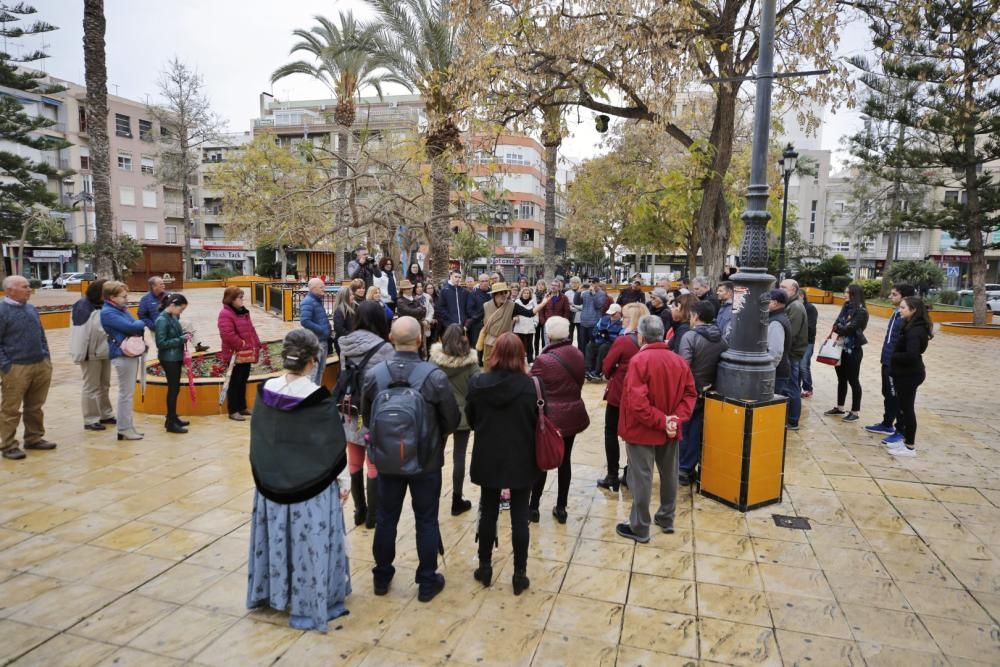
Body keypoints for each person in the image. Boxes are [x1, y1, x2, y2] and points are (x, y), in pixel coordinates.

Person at [246, 328, 351, 632]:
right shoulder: (318, 398)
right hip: (311, 489)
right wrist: (343, 483)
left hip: (270, 485)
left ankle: (272, 593)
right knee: (309, 545)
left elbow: (260, 436)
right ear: (313, 361)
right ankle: (310, 603)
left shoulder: (266, 389)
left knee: (278, 541)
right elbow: (332, 445)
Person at [361, 317, 460, 603]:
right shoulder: (434, 376)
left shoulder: (375, 374)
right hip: (426, 460)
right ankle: (427, 582)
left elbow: (368, 419)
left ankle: (381, 577)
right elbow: (451, 419)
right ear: (420, 340)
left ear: (391, 338)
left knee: (385, 518)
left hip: (388, 460)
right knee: (426, 520)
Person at [466, 332, 540, 595]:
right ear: (521, 355)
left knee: (489, 511)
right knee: (520, 517)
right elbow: (539, 420)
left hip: (489, 455)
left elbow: (472, 418)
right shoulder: (532, 386)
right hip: (522, 455)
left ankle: (485, 567)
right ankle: (520, 574)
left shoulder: (478, 384)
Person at [615, 315, 697, 543]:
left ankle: (640, 526)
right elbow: (691, 394)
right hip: (670, 428)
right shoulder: (679, 360)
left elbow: (637, 403)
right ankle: (666, 517)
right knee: (669, 473)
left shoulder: (639, 361)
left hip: (643, 429)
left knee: (642, 477)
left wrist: (662, 420)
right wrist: (674, 419)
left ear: (641, 336)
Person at [338, 301, 394, 528]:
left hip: (349, 407)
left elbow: (345, 375)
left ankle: (359, 511)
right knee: (373, 464)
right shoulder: (385, 348)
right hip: (374, 410)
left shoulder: (345, 344)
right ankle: (373, 517)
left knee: (354, 460)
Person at [528, 316, 589, 524]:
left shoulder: (544, 360)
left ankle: (533, 507)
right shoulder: (578, 354)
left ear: (549, 335)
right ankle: (561, 507)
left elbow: (531, 387)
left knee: (543, 460)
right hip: (572, 413)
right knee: (565, 461)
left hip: (551, 417)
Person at [0, 275, 56, 460]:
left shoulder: (31, 308)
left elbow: (41, 335)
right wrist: (6, 365)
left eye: (28, 286)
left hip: (40, 364)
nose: (29, 289)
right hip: (16, 368)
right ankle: (8, 445)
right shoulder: (2, 310)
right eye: (24, 287)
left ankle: (34, 438)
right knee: (11, 409)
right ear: (10, 290)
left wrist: (46, 356)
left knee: (35, 406)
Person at [429, 324, 480, 515]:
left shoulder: (433, 361)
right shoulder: (471, 362)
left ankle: (432, 497)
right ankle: (456, 500)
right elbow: (477, 387)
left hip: (439, 414)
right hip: (462, 415)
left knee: (436, 457)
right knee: (459, 457)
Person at [597, 302, 648, 490]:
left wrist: (615, 371)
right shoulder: (649, 341)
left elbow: (606, 366)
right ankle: (630, 472)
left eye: (625, 317)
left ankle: (612, 475)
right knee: (634, 435)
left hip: (620, 394)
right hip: (642, 395)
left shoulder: (624, 341)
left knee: (611, 432)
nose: (622, 320)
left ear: (633, 320)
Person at [676, 301, 727, 485]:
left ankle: (683, 468)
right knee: (698, 429)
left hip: (691, 390)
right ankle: (691, 465)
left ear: (695, 316)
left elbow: (684, 366)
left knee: (685, 429)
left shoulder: (690, 337)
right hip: (710, 389)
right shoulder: (721, 338)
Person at [865, 284, 917, 443]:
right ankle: (887, 423)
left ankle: (901, 430)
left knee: (898, 396)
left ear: (905, 297)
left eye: (894, 294)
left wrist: (895, 359)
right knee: (888, 393)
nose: (890, 297)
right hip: (887, 360)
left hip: (897, 364)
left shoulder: (908, 320)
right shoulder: (897, 313)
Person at [101, 280, 147, 442]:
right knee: (126, 394)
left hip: (129, 353)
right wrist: (141, 322)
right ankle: (124, 428)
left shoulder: (120, 309)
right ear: (112, 297)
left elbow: (133, 324)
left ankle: (128, 426)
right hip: (122, 354)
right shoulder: (108, 312)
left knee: (128, 392)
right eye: (123, 296)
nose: (126, 299)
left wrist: (136, 323)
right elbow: (133, 327)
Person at [887, 296, 932, 458]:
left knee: (907, 410)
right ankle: (905, 439)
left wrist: (893, 356)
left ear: (913, 310)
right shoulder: (911, 325)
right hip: (905, 373)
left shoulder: (915, 330)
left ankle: (910, 446)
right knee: (903, 408)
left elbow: (912, 355)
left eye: (903, 308)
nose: (900, 310)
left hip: (910, 374)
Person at [71, 279, 114, 432]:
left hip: (104, 351)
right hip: (90, 353)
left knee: (104, 385)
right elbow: (82, 332)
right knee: (91, 386)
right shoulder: (82, 306)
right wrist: (80, 354)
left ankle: (105, 414)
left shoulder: (105, 305)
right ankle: (90, 419)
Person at [824, 284, 869, 423]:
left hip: (853, 350)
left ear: (854, 295)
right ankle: (840, 407)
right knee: (841, 379)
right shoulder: (846, 307)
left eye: (847, 293)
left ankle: (855, 411)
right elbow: (836, 325)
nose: (844, 295)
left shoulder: (861, 311)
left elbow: (848, 329)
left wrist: (841, 328)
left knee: (853, 380)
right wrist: (840, 327)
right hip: (840, 348)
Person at [218, 286, 262, 422]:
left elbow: (251, 329)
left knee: (243, 380)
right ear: (231, 299)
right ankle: (233, 410)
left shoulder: (243, 312)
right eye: (240, 298)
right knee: (235, 383)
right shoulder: (225, 314)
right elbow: (227, 335)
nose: (243, 300)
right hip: (235, 355)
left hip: (246, 353)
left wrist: (256, 343)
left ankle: (242, 407)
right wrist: (241, 344)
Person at [479, 282, 547, 362]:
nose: (504, 295)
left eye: (505, 292)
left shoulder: (512, 305)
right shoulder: (486, 306)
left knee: (505, 365)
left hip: (505, 342)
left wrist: (543, 303)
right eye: (501, 293)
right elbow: (478, 320)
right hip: (490, 342)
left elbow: (529, 313)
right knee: (489, 366)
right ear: (495, 294)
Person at [155, 293, 192, 434]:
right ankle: (170, 422)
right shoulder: (162, 320)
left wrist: (183, 336)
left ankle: (172, 417)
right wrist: (181, 339)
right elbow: (161, 343)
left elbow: (175, 334)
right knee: (173, 389)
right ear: (172, 305)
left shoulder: (172, 317)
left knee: (175, 389)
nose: (181, 312)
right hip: (168, 358)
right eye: (181, 309)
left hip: (175, 356)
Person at [780, 279, 808, 430]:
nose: (781, 289)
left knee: (792, 386)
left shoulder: (795, 307)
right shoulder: (790, 304)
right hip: (790, 352)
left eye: (784, 287)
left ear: (794, 291)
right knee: (789, 385)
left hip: (792, 353)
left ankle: (792, 420)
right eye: (780, 286)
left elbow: (791, 333)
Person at [299, 278, 332, 385]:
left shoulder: (317, 300)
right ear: (313, 288)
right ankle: (310, 397)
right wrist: (322, 330)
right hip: (316, 342)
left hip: (323, 341)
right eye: (321, 287)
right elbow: (305, 321)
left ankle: (316, 396)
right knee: (314, 373)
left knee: (320, 371)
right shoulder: (308, 301)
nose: (324, 289)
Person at [767, 289, 794, 411]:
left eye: (767, 301)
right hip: (779, 370)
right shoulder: (779, 317)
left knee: (773, 408)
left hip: (776, 373)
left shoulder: (776, 322)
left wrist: (768, 371)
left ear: (775, 303)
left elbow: (775, 352)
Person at [585, 303, 624, 380]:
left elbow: (621, 337)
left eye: (613, 314)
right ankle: (589, 370)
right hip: (600, 341)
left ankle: (597, 372)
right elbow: (595, 329)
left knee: (603, 348)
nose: (611, 316)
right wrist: (598, 333)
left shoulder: (623, 322)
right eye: (610, 314)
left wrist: (609, 336)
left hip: (612, 344)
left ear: (619, 313)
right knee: (590, 345)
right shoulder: (604, 318)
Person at [466, 274, 494, 363]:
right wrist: (479, 318)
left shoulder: (493, 293)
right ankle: (477, 364)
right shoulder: (473, 294)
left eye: (486, 281)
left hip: (492, 324)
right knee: (477, 346)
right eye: (482, 281)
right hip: (478, 324)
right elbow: (469, 310)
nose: (485, 283)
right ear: (479, 282)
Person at [575, 281, 606, 354]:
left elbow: (598, 305)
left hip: (594, 323)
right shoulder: (585, 293)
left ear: (597, 284)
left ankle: (592, 362)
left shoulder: (601, 293)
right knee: (583, 344)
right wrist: (579, 291)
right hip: (584, 322)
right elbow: (576, 302)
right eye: (591, 283)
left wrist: (594, 294)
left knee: (592, 344)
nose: (592, 284)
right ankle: (583, 361)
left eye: (594, 282)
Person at [332, 280, 361, 355]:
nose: (353, 296)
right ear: (344, 297)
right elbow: (338, 328)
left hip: (354, 341)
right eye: (350, 295)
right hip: (344, 343)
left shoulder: (355, 306)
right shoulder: (340, 310)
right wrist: (352, 336)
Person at [513, 287, 538, 363]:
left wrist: (535, 323)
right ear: (521, 294)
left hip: (529, 326)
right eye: (525, 293)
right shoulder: (517, 302)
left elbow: (536, 313)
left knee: (529, 344)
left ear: (530, 294)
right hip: (519, 326)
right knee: (518, 345)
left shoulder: (533, 302)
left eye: (528, 293)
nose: (526, 295)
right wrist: (515, 317)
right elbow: (513, 313)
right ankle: (518, 360)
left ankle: (530, 360)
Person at [800, 292, 818, 399]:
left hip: (808, 342)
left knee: (803, 365)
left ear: (802, 296)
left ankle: (808, 388)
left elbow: (811, 326)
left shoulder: (810, 308)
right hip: (798, 342)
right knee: (798, 366)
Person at [533, 279, 548, 357]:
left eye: (542, 285)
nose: (540, 286)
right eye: (539, 284)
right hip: (536, 318)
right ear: (537, 286)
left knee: (544, 338)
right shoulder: (533, 295)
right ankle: (536, 354)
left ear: (545, 286)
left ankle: (543, 354)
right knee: (536, 337)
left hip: (544, 319)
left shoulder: (547, 295)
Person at [566, 277, 582, 345]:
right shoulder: (567, 293)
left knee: (580, 336)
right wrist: (575, 307)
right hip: (570, 316)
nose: (574, 284)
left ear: (579, 284)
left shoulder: (583, 293)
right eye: (573, 283)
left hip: (580, 316)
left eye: (576, 282)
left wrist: (573, 306)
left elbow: (583, 306)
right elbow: (567, 305)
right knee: (569, 336)